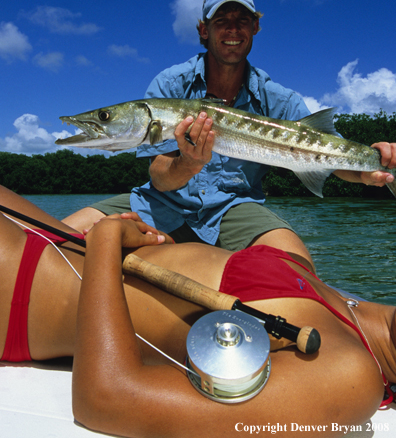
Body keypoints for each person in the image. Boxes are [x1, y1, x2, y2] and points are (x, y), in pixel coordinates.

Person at [1, 185, 396, 437]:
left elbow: (107, 401)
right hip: (45, 234)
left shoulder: (351, 374)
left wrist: (106, 240)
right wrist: (158, 244)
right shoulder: (319, 278)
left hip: (17, 290)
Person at [62, 0, 396, 269]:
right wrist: (188, 164)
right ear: (204, 30)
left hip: (237, 209)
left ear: (255, 28)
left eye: (242, 20)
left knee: (297, 271)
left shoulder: (279, 99)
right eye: (221, 20)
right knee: (54, 238)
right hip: (160, 203)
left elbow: (328, 158)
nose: (232, 29)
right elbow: (161, 179)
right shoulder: (168, 85)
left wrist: (370, 170)